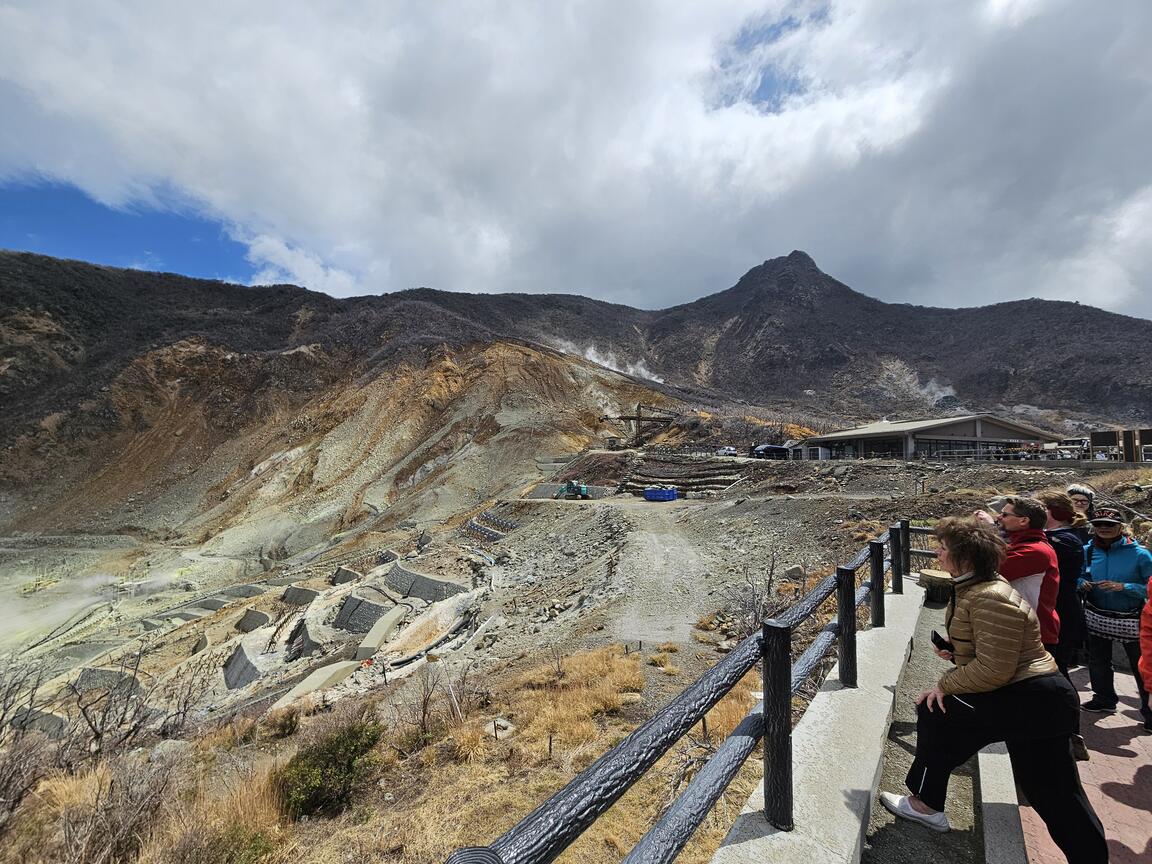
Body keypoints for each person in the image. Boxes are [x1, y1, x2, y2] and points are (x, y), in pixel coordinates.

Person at [879, 517, 1106, 862]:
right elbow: (1000, 651)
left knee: (935, 711)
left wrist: (945, 683)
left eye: (944, 549)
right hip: (1034, 696)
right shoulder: (980, 587)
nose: (937, 554)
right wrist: (957, 653)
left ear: (966, 559)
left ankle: (926, 804)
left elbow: (995, 668)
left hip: (1031, 697)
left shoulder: (988, 596)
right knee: (1054, 792)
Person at [1079, 506, 1152, 731]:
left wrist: (1125, 587)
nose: (1103, 528)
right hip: (1097, 613)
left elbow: (1149, 588)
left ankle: (1149, 712)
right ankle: (1104, 699)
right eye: (1098, 524)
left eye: (1109, 524)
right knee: (1098, 660)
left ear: (1121, 526)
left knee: (1141, 666)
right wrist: (1082, 583)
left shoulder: (1141, 554)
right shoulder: (1087, 551)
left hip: (1132, 617)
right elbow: (1078, 575)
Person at [1036, 490, 1090, 760]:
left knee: (1057, 678)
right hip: (1055, 613)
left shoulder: (1063, 541)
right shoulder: (1058, 538)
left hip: (1061, 616)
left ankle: (1069, 734)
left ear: (1053, 512)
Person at [973, 496, 1060, 649]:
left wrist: (989, 531)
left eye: (1005, 515)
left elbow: (985, 570)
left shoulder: (1035, 551)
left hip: (1031, 634)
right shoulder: (1023, 545)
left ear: (1023, 521)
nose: (999, 517)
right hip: (1019, 629)